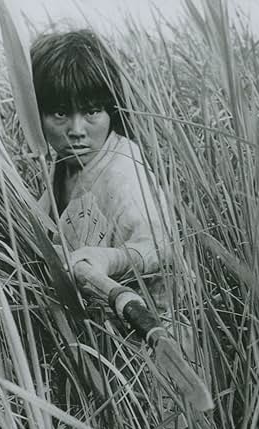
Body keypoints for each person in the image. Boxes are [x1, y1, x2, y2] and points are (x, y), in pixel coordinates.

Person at [31, 29, 172, 301]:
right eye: (60, 113)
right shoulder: (64, 162)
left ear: (111, 112)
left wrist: (109, 259)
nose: (76, 130)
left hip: (146, 326)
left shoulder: (126, 174)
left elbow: (161, 247)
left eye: (92, 111)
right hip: (90, 319)